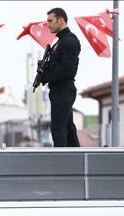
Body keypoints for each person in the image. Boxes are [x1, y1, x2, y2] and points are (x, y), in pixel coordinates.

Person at [43, 7, 81, 147]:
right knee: (68, 128)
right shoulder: (60, 42)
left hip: (64, 90)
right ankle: (76, 161)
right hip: (60, 90)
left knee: (58, 128)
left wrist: (47, 76)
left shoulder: (69, 41)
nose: (48, 24)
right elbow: (59, 66)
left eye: (50, 21)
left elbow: (68, 70)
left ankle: (62, 163)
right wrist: (44, 70)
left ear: (60, 20)